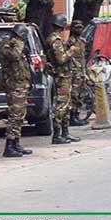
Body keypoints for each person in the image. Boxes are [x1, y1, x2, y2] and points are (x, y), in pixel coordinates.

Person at [45, 14, 79, 144]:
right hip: (61, 75)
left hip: (65, 75)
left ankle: (65, 133)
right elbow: (60, 59)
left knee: (67, 105)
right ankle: (57, 135)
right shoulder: (56, 40)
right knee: (61, 106)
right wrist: (71, 51)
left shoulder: (56, 38)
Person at [0, 24, 32, 158]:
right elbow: (14, 56)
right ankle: (9, 146)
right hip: (14, 85)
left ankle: (16, 143)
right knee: (14, 116)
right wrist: (18, 43)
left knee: (20, 116)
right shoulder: (8, 46)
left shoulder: (19, 46)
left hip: (22, 85)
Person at [67, 19, 89, 126]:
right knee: (74, 95)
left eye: (81, 27)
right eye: (77, 28)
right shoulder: (70, 43)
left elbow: (83, 58)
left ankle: (77, 115)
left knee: (81, 95)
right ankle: (72, 117)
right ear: (72, 29)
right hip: (74, 72)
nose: (79, 29)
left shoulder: (82, 42)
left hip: (81, 72)